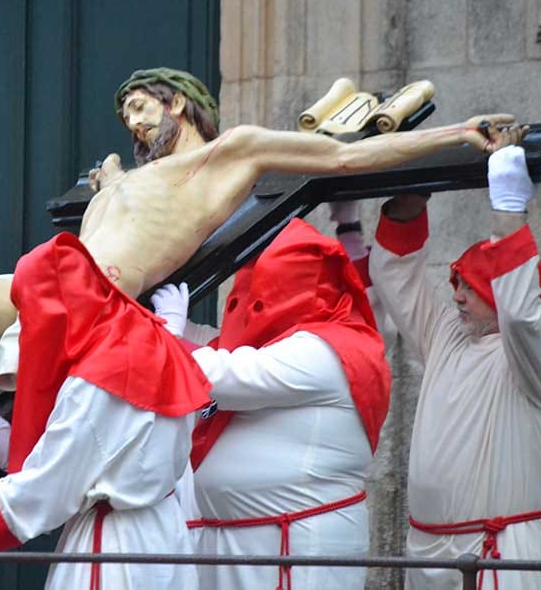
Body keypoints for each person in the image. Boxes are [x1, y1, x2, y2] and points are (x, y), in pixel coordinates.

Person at [0, 68, 523, 580]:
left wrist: (456, 135)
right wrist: (112, 185)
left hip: (91, 306)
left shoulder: (234, 154)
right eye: (128, 116)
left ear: (182, 104)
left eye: (143, 106)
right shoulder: (130, 178)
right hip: (58, 287)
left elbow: (344, 154)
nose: (136, 123)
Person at [368, 145, 541, 590]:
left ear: (497, 290)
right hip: (428, 551)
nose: (457, 296)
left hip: (501, 549)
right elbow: (396, 282)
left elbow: (521, 317)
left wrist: (508, 211)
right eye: (456, 284)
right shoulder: (450, 333)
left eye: (469, 286)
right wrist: (408, 204)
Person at [151, 217, 389, 589]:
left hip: (295, 549)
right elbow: (215, 347)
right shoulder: (283, 346)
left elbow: (224, 374)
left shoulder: (327, 349)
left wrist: (169, 333)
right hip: (241, 542)